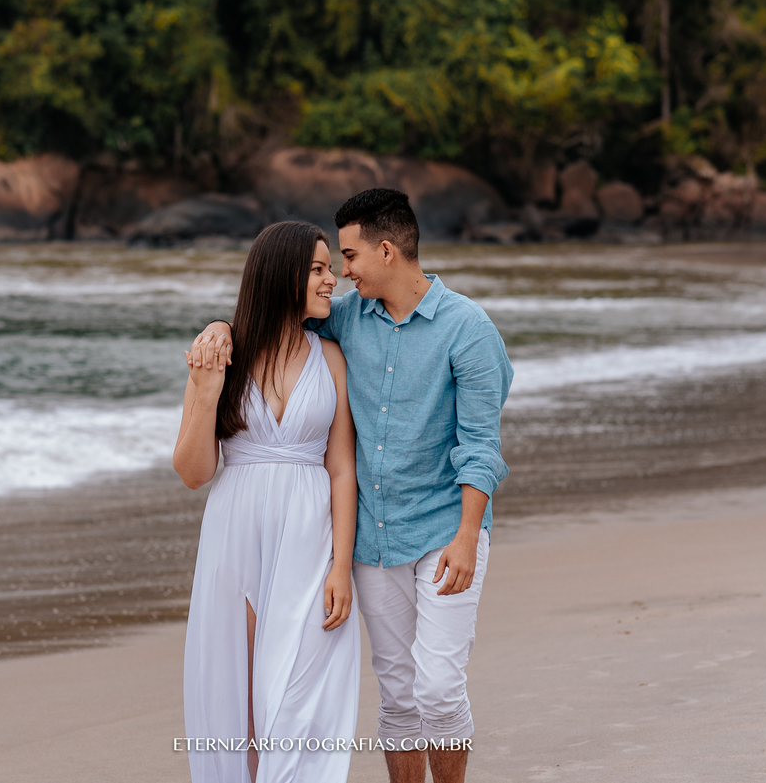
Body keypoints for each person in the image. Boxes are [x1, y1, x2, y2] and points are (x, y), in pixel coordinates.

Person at [192, 189, 513, 783]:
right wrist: (218, 328)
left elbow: (480, 446)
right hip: (373, 537)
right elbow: (276, 314)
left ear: (386, 251)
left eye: (348, 257)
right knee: (397, 690)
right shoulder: (345, 317)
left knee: (439, 687)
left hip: (445, 527)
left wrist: (470, 534)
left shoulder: (468, 330)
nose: (340, 274)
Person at [174, 220, 361, 783]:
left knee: (297, 695)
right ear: (282, 275)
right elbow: (192, 472)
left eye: (332, 268)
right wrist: (207, 394)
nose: (332, 281)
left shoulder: (330, 358)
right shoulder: (219, 354)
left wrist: (342, 566)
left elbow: (342, 467)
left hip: (310, 535)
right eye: (318, 269)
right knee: (239, 699)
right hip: (236, 531)